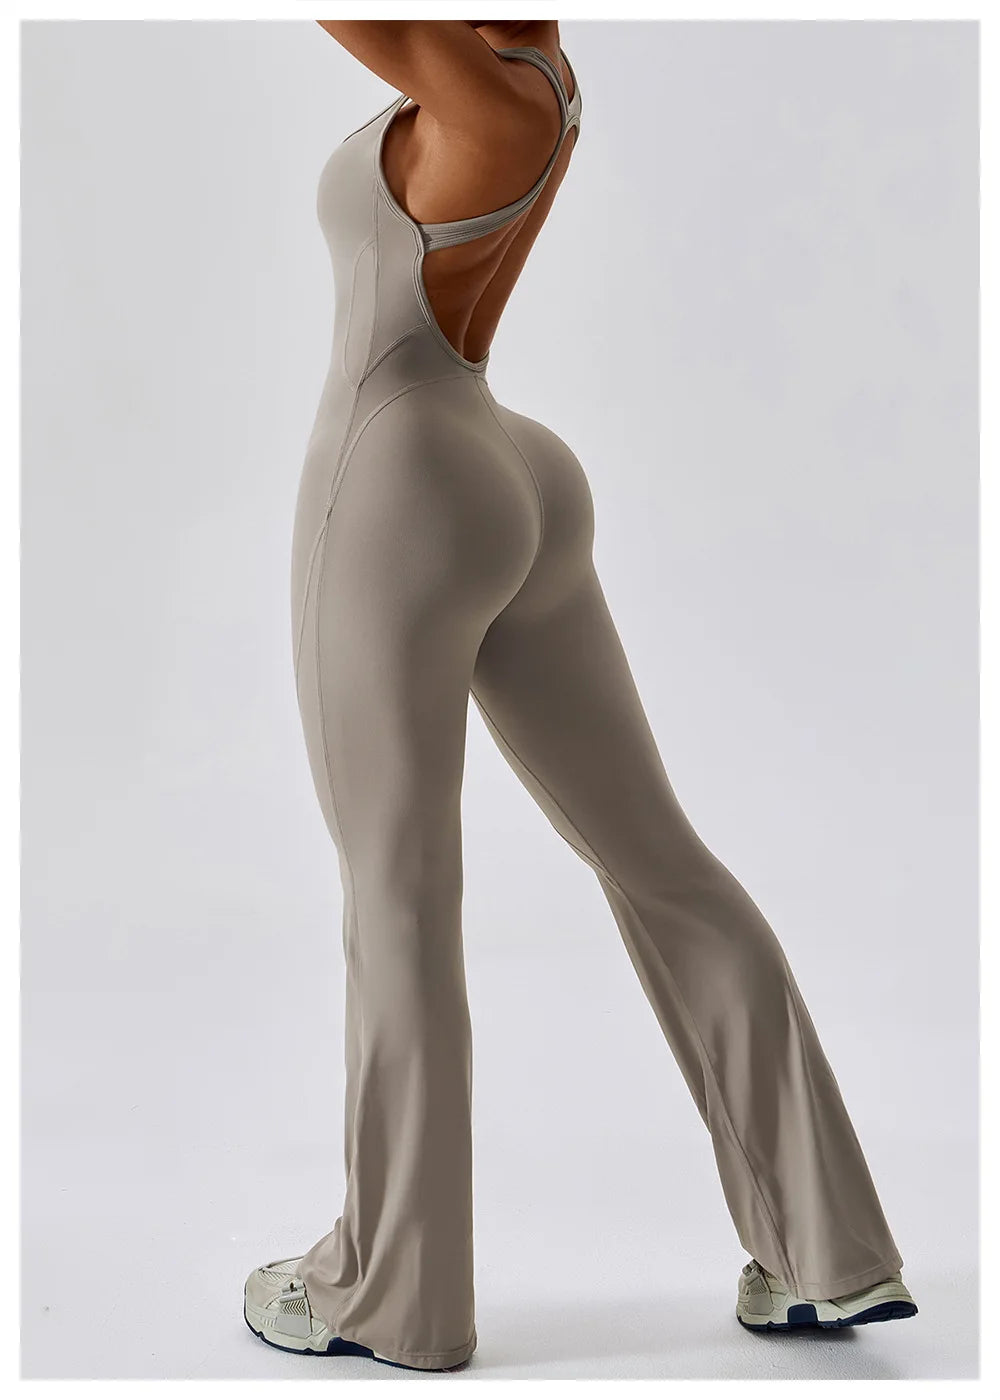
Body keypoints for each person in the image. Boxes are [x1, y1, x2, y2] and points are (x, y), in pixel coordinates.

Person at [242, 17, 917, 1373]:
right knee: (660, 860)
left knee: (398, 891)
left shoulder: (477, 93)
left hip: (399, 486)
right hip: (516, 471)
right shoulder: (539, 66)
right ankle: (827, 1253)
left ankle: (396, 1298)